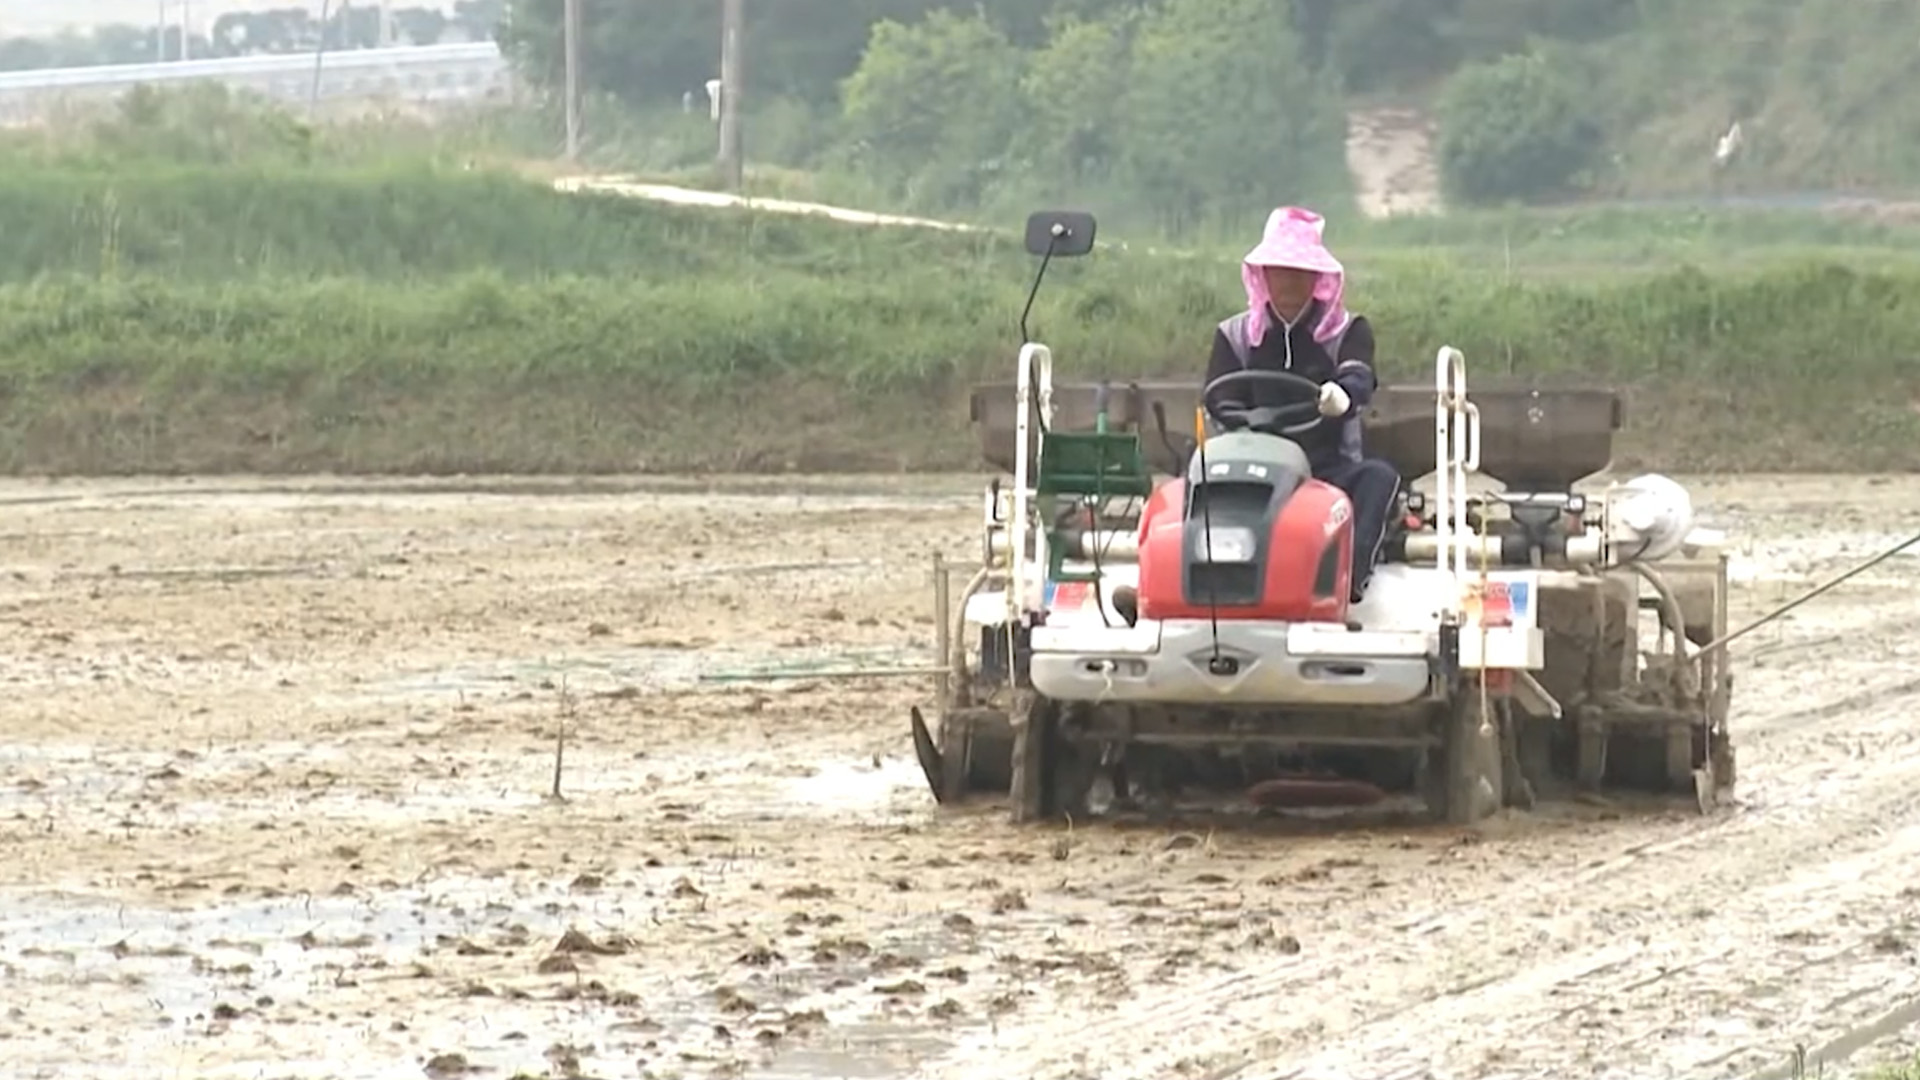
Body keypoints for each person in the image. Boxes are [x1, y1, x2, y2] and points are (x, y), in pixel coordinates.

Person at [1202, 206, 1401, 603]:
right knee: (1188, 480)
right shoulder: (1235, 335)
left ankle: (1348, 582)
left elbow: (1359, 372)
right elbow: (1218, 393)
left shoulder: (1348, 330)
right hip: (1249, 462)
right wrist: (1243, 419)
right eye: (1279, 270)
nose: (1289, 281)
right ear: (1263, 275)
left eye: (1298, 271)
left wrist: (1342, 395)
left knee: (1379, 478)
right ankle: (1200, 586)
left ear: (1317, 277)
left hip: (1325, 467)